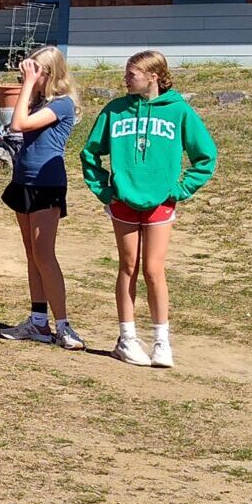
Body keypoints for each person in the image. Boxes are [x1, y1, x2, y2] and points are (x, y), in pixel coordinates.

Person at [81, 49, 217, 368]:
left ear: (153, 76)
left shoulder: (178, 111)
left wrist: (179, 189)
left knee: (154, 270)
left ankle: (161, 342)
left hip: (160, 203)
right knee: (128, 266)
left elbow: (205, 156)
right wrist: (105, 190)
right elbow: (90, 154)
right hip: (123, 201)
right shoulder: (115, 111)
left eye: (132, 74)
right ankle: (127, 339)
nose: (125, 79)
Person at [0, 47, 85, 351]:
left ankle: (63, 326)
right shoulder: (37, 102)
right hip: (23, 180)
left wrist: (26, 86)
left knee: (44, 254)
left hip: (46, 184)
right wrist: (30, 90)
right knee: (32, 253)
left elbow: (18, 124)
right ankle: (38, 321)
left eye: (36, 70)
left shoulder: (62, 104)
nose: (28, 74)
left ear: (50, 72)